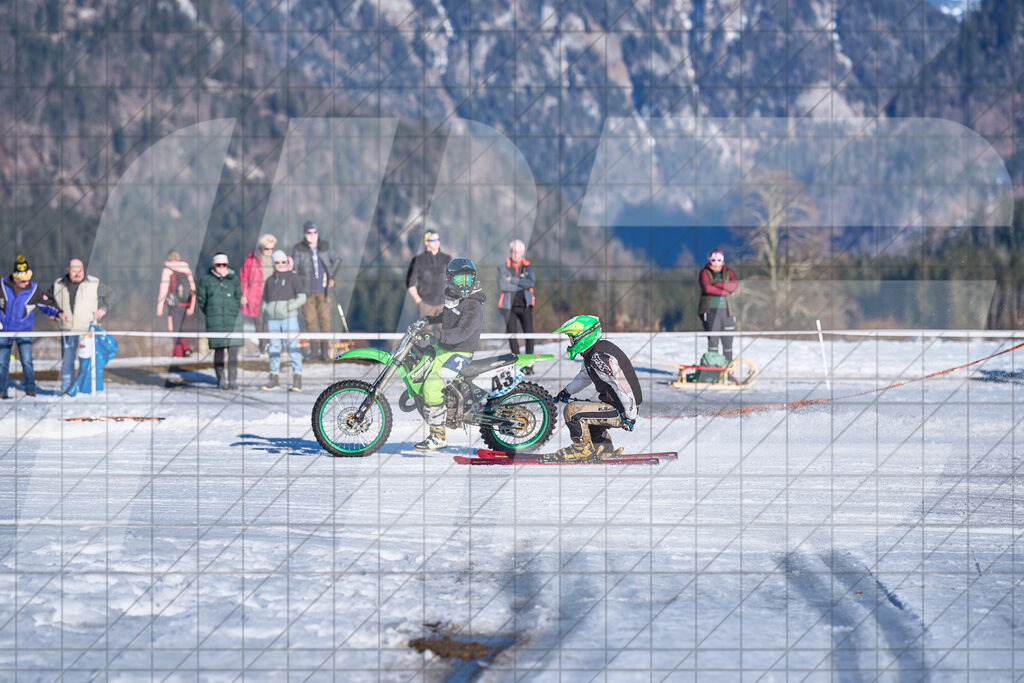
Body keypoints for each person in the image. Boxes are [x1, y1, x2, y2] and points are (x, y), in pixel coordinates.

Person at [413, 257, 486, 451]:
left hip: (460, 352)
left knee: (432, 384)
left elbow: (461, 332)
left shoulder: (473, 304)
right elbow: (448, 317)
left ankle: (438, 436)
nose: (464, 284)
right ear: (450, 279)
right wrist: (429, 319)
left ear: (473, 280)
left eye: (468, 280)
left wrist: (435, 333)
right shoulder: (453, 298)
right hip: (444, 348)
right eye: (460, 279)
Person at [551, 314, 643, 461]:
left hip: (623, 410)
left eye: (571, 338)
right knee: (586, 408)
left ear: (583, 336)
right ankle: (604, 448)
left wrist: (630, 416)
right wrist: (566, 391)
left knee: (572, 411)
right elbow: (585, 376)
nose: (570, 342)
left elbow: (622, 387)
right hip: (619, 406)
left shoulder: (599, 357)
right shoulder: (593, 353)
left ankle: (582, 449)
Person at [47, 258, 113, 394]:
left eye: (80, 270)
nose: (77, 274)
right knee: (67, 362)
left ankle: (86, 389)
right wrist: (52, 312)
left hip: (87, 329)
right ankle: (66, 390)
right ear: (68, 270)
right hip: (67, 329)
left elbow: (110, 295)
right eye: (74, 270)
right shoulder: (58, 284)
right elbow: (47, 299)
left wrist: (103, 309)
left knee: (87, 361)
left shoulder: (94, 283)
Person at [0, 256, 62, 398]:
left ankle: (30, 389)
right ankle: (2, 391)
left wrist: (58, 312)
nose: (26, 283)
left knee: (27, 361)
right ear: (15, 278)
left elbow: (46, 303)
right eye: (23, 281)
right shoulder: (2, 286)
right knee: (2, 362)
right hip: (3, 332)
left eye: (28, 279)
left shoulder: (33, 289)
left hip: (24, 331)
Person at [292, 221, 341, 362]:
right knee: (310, 322)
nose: (312, 235)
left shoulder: (325, 246)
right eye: (309, 232)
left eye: (314, 232)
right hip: (306, 291)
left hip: (323, 291)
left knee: (325, 322)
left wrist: (331, 276)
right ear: (304, 234)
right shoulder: (299, 248)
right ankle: (314, 353)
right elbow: (295, 266)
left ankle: (324, 353)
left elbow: (337, 260)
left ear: (317, 233)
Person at [196, 253, 243, 390]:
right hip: (215, 321)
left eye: (224, 264)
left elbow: (238, 297)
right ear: (214, 265)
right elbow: (201, 301)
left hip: (233, 321)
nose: (221, 267)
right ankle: (220, 378)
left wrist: (233, 311)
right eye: (218, 265)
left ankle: (233, 379)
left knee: (233, 351)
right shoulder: (206, 280)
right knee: (219, 351)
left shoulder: (234, 279)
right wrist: (211, 313)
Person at [261, 250, 306, 391]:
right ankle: (273, 378)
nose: (281, 265)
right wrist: (266, 309)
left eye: (283, 262)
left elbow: (302, 297)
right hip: (272, 319)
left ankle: (297, 377)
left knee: (292, 346)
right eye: (277, 262)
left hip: (289, 318)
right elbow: (264, 299)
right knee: (274, 348)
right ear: (273, 264)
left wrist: (288, 307)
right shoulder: (269, 280)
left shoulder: (293, 278)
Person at [496, 239, 537, 373]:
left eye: (518, 251)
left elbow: (530, 283)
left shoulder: (528, 266)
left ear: (523, 252)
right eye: (514, 251)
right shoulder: (503, 267)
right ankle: (517, 363)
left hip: (525, 305)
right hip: (508, 306)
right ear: (510, 251)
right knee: (512, 336)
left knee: (529, 335)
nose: (516, 254)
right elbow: (502, 285)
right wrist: (521, 282)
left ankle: (529, 364)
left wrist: (513, 280)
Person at [240, 234, 278, 356]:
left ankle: (277, 347)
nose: (270, 251)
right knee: (260, 323)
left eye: (272, 248)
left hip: (271, 295)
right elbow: (244, 277)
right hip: (255, 295)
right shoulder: (252, 259)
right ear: (261, 247)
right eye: (267, 249)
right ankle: (263, 349)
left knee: (273, 322)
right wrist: (244, 295)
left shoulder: (275, 259)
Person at [698, 248, 738, 361]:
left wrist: (717, 284)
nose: (716, 262)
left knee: (728, 343)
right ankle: (713, 370)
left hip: (728, 311)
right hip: (711, 310)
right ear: (710, 260)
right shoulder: (704, 272)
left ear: (723, 260)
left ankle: (728, 370)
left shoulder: (729, 272)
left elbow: (734, 285)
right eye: (714, 259)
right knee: (713, 342)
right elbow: (707, 288)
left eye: (719, 259)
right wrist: (725, 290)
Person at [155, 250, 197, 357]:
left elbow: (163, 291)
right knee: (181, 329)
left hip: (174, 305)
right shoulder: (186, 270)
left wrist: (159, 309)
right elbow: (193, 289)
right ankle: (179, 354)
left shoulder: (167, 270)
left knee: (174, 330)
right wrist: (191, 306)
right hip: (186, 304)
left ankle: (181, 352)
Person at [406, 230, 451, 318]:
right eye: (433, 240)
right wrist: (419, 301)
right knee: (424, 332)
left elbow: (455, 280)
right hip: (425, 305)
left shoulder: (447, 259)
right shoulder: (418, 260)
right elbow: (410, 283)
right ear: (426, 242)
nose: (437, 242)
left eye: (438, 239)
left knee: (445, 331)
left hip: (444, 305)